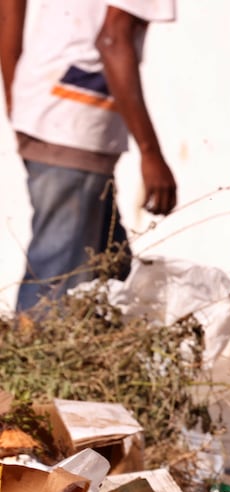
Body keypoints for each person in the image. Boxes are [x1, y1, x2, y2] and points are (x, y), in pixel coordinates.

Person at [0, 0, 177, 311]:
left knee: (111, 274)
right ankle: (27, 358)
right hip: (71, 125)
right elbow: (112, 39)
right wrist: (151, 155)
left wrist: (19, 96)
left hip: (50, 112)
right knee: (53, 292)